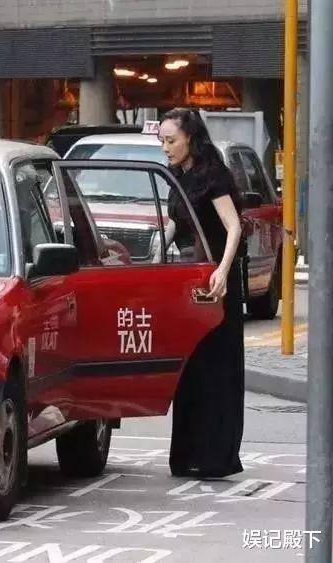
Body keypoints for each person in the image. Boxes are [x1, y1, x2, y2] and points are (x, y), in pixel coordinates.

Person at [158, 108, 245, 478]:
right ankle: (187, 455)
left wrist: (223, 271)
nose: (165, 148)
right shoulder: (175, 176)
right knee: (190, 369)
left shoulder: (213, 173)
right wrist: (152, 254)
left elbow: (233, 226)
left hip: (217, 282)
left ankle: (215, 458)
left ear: (190, 138)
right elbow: (176, 225)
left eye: (171, 140)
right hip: (190, 284)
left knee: (216, 370)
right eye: (161, 141)